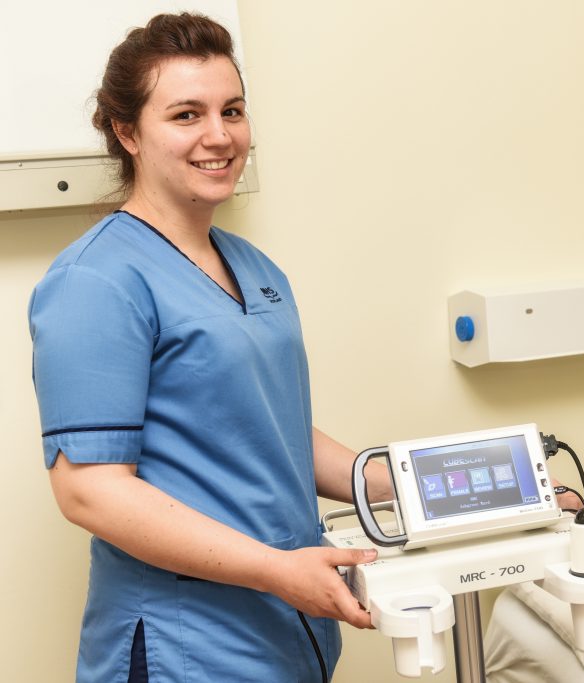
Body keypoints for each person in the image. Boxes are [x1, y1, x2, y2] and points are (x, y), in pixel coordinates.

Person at [28, 13, 390, 682]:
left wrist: (409, 482)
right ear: (127, 131)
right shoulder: (96, 281)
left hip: (285, 634)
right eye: (187, 115)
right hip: (185, 644)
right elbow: (91, 493)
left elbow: (266, 428)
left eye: (233, 110)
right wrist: (276, 568)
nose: (219, 136)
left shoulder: (254, 267)